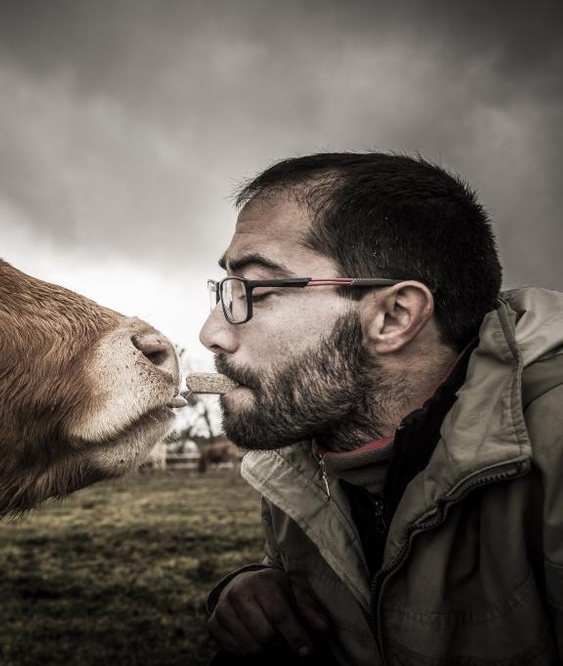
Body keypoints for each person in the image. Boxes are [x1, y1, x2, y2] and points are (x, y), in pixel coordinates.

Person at [199, 152, 563, 664]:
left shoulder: (555, 451)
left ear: (394, 316)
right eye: (223, 290)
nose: (212, 333)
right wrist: (261, 590)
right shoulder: (306, 452)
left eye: (253, 289)